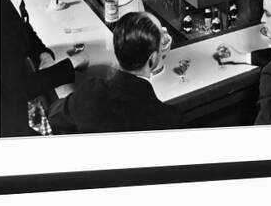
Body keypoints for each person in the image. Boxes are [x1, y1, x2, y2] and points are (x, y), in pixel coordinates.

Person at [0, 0, 89, 137]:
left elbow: (25, 29)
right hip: (6, 119)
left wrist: (41, 52)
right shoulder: (2, 24)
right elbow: (21, 87)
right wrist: (70, 64)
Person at [48, 12, 185, 134]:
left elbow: (53, 114)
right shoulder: (171, 118)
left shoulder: (89, 93)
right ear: (153, 59)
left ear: (116, 48)